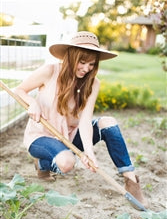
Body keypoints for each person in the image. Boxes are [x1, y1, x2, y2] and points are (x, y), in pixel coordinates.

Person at [15, 31, 148, 208]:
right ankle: (42, 162)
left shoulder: (93, 83)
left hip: (69, 136)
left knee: (108, 123)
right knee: (67, 163)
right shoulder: (50, 71)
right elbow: (19, 90)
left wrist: (88, 153)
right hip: (41, 136)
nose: (86, 69)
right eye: (82, 62)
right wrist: (32, 103)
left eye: (91, 64)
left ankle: (131, 181)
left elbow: (85, 121)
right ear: (71, 57)